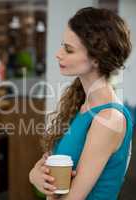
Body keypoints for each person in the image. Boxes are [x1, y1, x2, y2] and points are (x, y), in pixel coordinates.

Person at [29, 7, 133, 200]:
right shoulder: (83, 105)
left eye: (68, 49)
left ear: (96, 58)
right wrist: (35, 175)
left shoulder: (108, 119)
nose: (58, 54)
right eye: (63, 45)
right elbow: (52, 171)